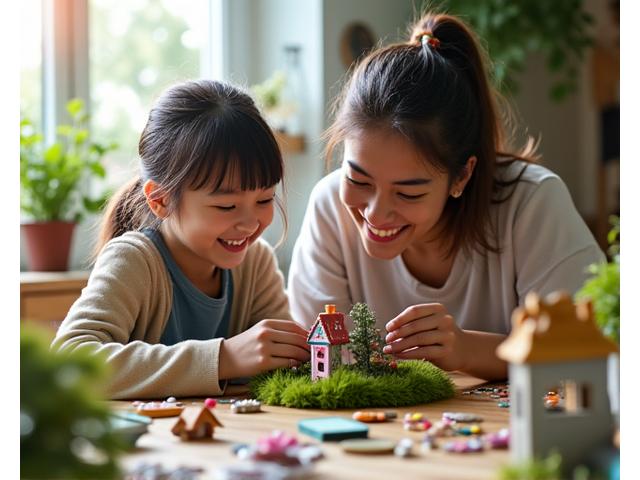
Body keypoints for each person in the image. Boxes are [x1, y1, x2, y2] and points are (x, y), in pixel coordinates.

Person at [288, 13, 605, 381]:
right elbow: (323, 359)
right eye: (359, 179)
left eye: (408, 192)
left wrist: (467, 349)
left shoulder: (532, 204)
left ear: (462, 176)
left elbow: (587, 347)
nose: (376, 213)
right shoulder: (330, 207)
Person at [52, 80, 310, 399]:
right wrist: (223, 358)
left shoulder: (255, 263)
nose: (250, 224)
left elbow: (284, 362)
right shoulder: (134, 261)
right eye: (226, 206)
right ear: (159, 200)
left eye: (265, 200)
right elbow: (70, 366)